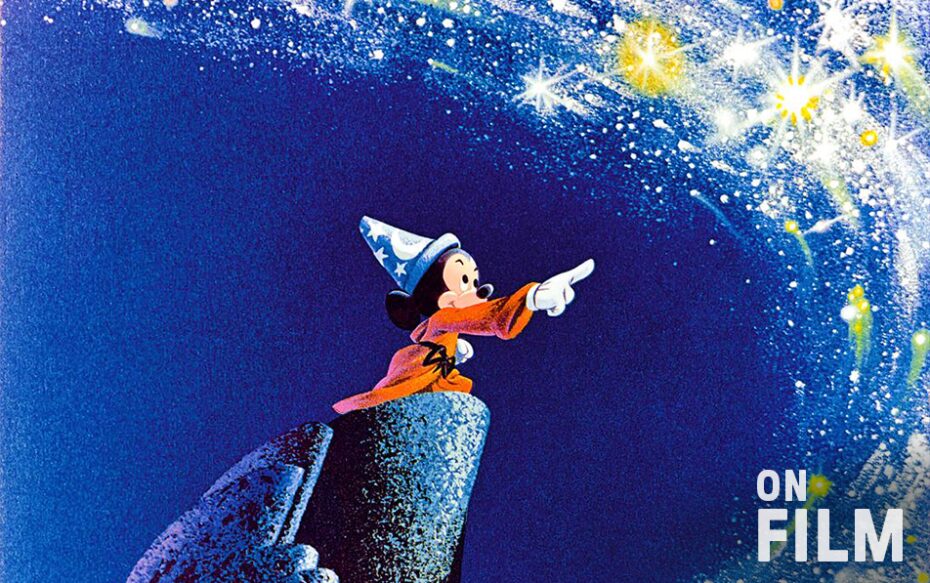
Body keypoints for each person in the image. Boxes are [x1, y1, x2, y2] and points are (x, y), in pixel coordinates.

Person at [332, 216, 594, 414]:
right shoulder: (443, 318)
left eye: (474, 280)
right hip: (414, 396)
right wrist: (532, 297)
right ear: (440, 296)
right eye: (464, 281)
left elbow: (434, 341)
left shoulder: (438, 330)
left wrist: (451, 351)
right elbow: (489, 318)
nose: (479, 290)